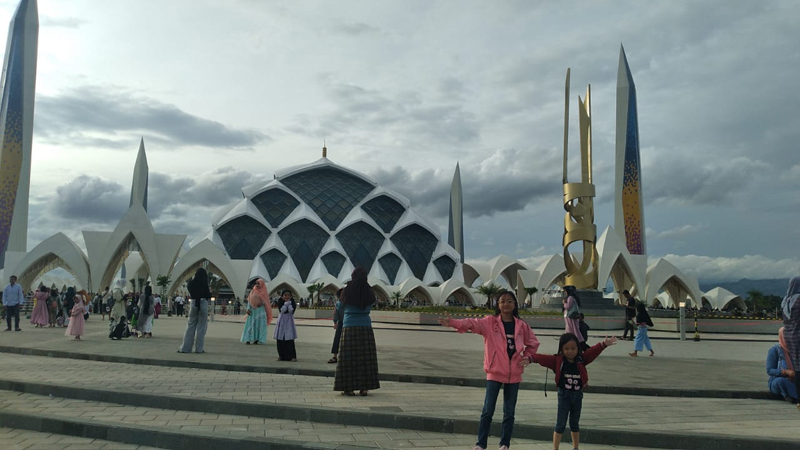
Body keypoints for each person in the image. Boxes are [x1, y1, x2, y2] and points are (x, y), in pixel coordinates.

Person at [438, 290, 540, 450]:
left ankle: (504, 444)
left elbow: (533, 343)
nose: (506, 304)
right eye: (502, 301)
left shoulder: (522, 325)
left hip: (514, 374)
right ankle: (481, 444)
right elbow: (471, 323)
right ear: (497, 305)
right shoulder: (490, 322)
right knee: (487, 410)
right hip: (495, 372)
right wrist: (453, 323)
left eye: (509, 301)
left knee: (509, 412)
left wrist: (528, 357)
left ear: (515, 305)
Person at [531, 333, 617, 450]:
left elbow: (592, 352)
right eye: (566, 349)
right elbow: (542, 358)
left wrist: (603, 345)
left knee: (574, 423)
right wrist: (530, 358)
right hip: (564, 395)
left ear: (578, 349)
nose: (570, 351)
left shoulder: (581, 359)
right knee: (560, 424)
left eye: (573, 348)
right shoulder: (557, 360)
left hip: (578, 395)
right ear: (561, 349)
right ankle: (555, 448)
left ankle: (575, 447)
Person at [334, 267, 382, 396]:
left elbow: (340, 306)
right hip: (365, 326)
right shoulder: (369, 291)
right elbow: (370, 304)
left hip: (349, 325)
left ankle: (348, 388)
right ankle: (364, 388)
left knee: (348, 358)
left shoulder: (347, 290)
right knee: (365, 358)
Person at [178, 268, 211, 353]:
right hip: (203, 304)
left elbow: (191, 292)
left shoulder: (191, 283)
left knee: (190, 326)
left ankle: (185, 348)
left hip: (193, 303)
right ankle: (199, 349)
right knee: (201, 328)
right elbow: (208, 295)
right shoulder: (204, 284)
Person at [781, 276, 800, 409]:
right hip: (798, 335)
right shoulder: (799, 299)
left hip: (789, 336)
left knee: (798, 368)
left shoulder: (785, 301)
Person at [767, 327, 797, 403]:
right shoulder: (775, 350)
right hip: (780, 380)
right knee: (779, 381)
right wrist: (785, 372)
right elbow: (770, 370)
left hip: (795, 380)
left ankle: (792, 395)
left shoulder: (796, 349)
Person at [241, 278, 271, 345]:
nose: (257, 285)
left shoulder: (264, 292)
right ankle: (248, 339)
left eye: (258, 283)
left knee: (259, 325)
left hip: (260, 311)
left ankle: (257, 339)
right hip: (253, 311)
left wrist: (262, 303)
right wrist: (248, 309)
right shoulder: (253, 291)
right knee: (251, 324)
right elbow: (249, 300)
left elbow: (267, 302)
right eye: (256, 283)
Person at [274, 290, 298, 361]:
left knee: (289, 338)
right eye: (285, 295)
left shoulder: (292, 302)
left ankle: (292, 356)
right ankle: (282, 355)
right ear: (282, 296)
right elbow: (282, 310)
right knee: (281, 338)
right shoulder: (280, 302)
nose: (287, 296)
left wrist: (289, 304)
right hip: (281, 321)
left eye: (288, 295)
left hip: (289, 321)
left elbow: (291, 311)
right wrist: (286, 304)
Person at [328, 288, 345, 364]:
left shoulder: (349, 303)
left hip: (348, 323)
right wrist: (335, 322)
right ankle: (335, 356)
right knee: (337, 339)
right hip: (341, 323)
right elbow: (336, 313)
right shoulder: (338, 303)